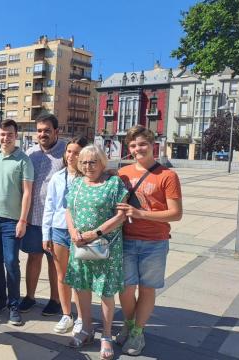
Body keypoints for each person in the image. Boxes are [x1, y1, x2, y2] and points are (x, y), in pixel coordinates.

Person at [116, 125, 183, 356]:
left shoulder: (167, 175)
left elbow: (176, 213)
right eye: (133, 145)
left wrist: (141, 214)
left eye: (142, 144)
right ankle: (128, 322)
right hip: (125, 240)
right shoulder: (122, 173)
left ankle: (137, 332)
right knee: (125, 288)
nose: (137, 149)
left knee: (146, 289)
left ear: (152, 144)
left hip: (154, 242)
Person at [65, 145, 128, 360]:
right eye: (83, 162)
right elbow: (68, 210)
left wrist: (96, 233)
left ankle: (107, 336)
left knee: (105, 292)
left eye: (93, 162)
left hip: (105, 247)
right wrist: (73, 231)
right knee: (81, 287)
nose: (88, 166)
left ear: (102, 162)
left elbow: (121, 215)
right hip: (80, 244)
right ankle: (87, 330)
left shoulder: (114, 183)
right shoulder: (76, 183)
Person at [0, 119, 34, 326]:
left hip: (12, 221)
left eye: (10, 134)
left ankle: (14, 305)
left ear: (16, 135)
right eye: (3, 134)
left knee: (11, 262)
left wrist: (22, 220)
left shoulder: (23, 160)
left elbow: (27, 193)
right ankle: (0, 299)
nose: (6, 138)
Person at [42, 136, 88, 333]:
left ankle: (81, 317)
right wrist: (46, 234)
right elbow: (49, 206)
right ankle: (66, 314)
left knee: (80, 277)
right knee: (62, 276)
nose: (71, 156)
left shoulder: (88, 177)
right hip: (59, 230)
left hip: (80, 233)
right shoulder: (57, 177)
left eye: (76, 152)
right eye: (69, 151)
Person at [21, 114, 65, 316]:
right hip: (34, 216)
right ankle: (30, 296)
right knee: (33, 257)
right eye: (39, 130)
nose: (42, 134)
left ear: (56, 131)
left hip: (56, 219)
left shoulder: (66, 152)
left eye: (47, 130)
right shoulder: (30, 153)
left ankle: (55, 300)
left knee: (54, 260)